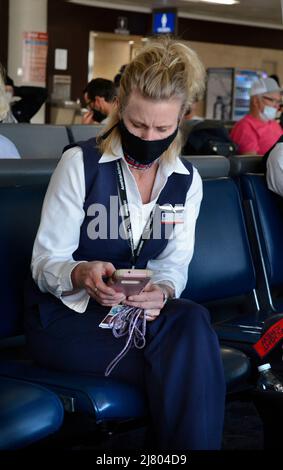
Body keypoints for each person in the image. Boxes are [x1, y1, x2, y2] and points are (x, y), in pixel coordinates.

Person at [25, 37, 226, 450]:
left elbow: (174, 265)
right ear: (119, 107)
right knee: (190, 364)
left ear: (182, 120)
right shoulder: (80, 165)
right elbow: (46, 261)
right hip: (70, 320)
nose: (149, 137)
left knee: (188, 318)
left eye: (163, 129)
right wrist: (79, 272)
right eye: (137, 124)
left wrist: (162, 292)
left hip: (137, 319)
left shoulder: (187, 182)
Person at [230, 77, 283, 155]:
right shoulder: (245, 127)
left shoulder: (274, 124)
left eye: (278, 102)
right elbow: (250, 162)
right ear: (255, 101)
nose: (276, 106)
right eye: (272, 100)